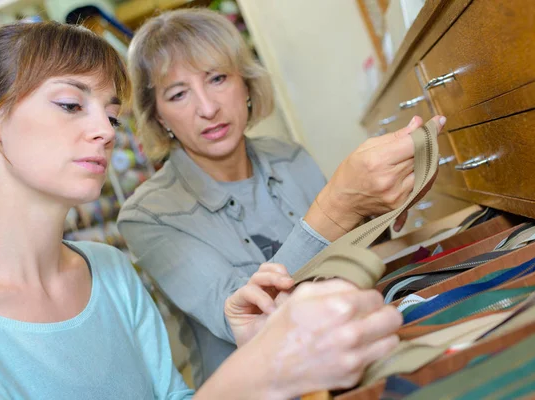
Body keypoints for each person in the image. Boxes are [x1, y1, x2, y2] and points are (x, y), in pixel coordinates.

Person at [0, 21, 402, 399]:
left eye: (112, 115)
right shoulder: (147, 217)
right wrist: (254, 373)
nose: (104, 131)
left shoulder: (109, 269)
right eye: (71, 105)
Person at [118, 8, 444, 387]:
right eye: (178, 94)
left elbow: (347, 260)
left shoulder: (290, 156)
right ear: (158, 117)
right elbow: (246, 320)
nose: (207, 108)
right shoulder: (147, 216)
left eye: (218, 78)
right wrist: (338, 204)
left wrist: (385, 211)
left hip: (351, 358)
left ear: (246, 82)